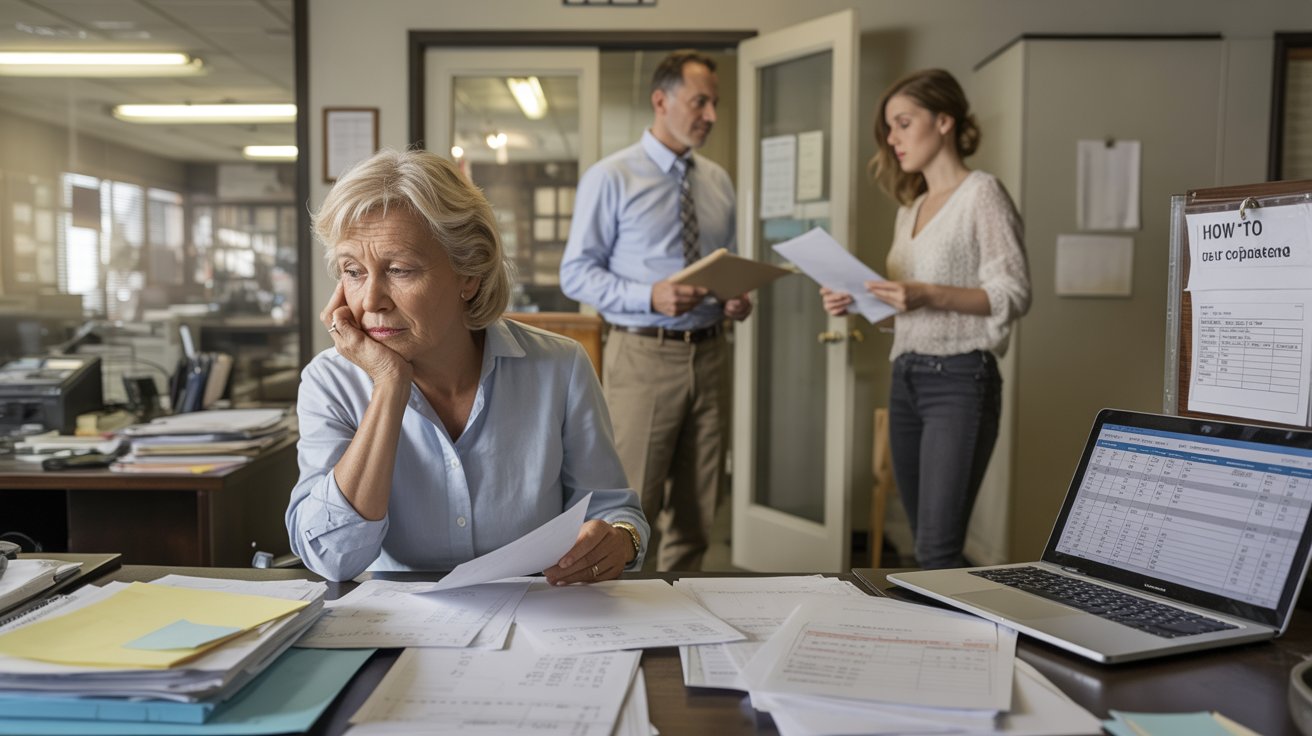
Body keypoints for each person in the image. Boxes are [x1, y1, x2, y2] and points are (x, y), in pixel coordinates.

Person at [287, 148, 648, 583]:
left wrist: (621, 539)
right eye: (353, 271)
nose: (370, 301)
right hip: (401, 631)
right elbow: (332, 559)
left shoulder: (560, 367)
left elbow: (614, 509)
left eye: (399, 270)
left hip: (536, 620)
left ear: (470, 273)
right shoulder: (330, 382)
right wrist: (389, 385)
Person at [821, 69, 1031, 569]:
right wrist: (861, 302)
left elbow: (1014, 292)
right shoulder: (909, 208)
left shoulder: (983, 194)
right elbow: (908, 313)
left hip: (960, 379)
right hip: (907, 378)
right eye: (888, 129)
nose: (892, 138)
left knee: (938, 551)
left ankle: (972, 646)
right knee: (922, 545)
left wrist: (928, 293)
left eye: (902, 123)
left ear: (943, 121)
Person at [560, 50, 751, 572]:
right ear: (661, 101)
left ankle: (681, 628)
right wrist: (651, 296)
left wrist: (735, 296)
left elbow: (722, 263)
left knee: (699, 510)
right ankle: (623, 625)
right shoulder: (611, 176)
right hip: (643, 357)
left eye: (715, 103)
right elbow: (575, 273)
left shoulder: (718, 181)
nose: (711, 115)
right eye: (700, 102)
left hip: (712, 356)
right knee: (631, 505)